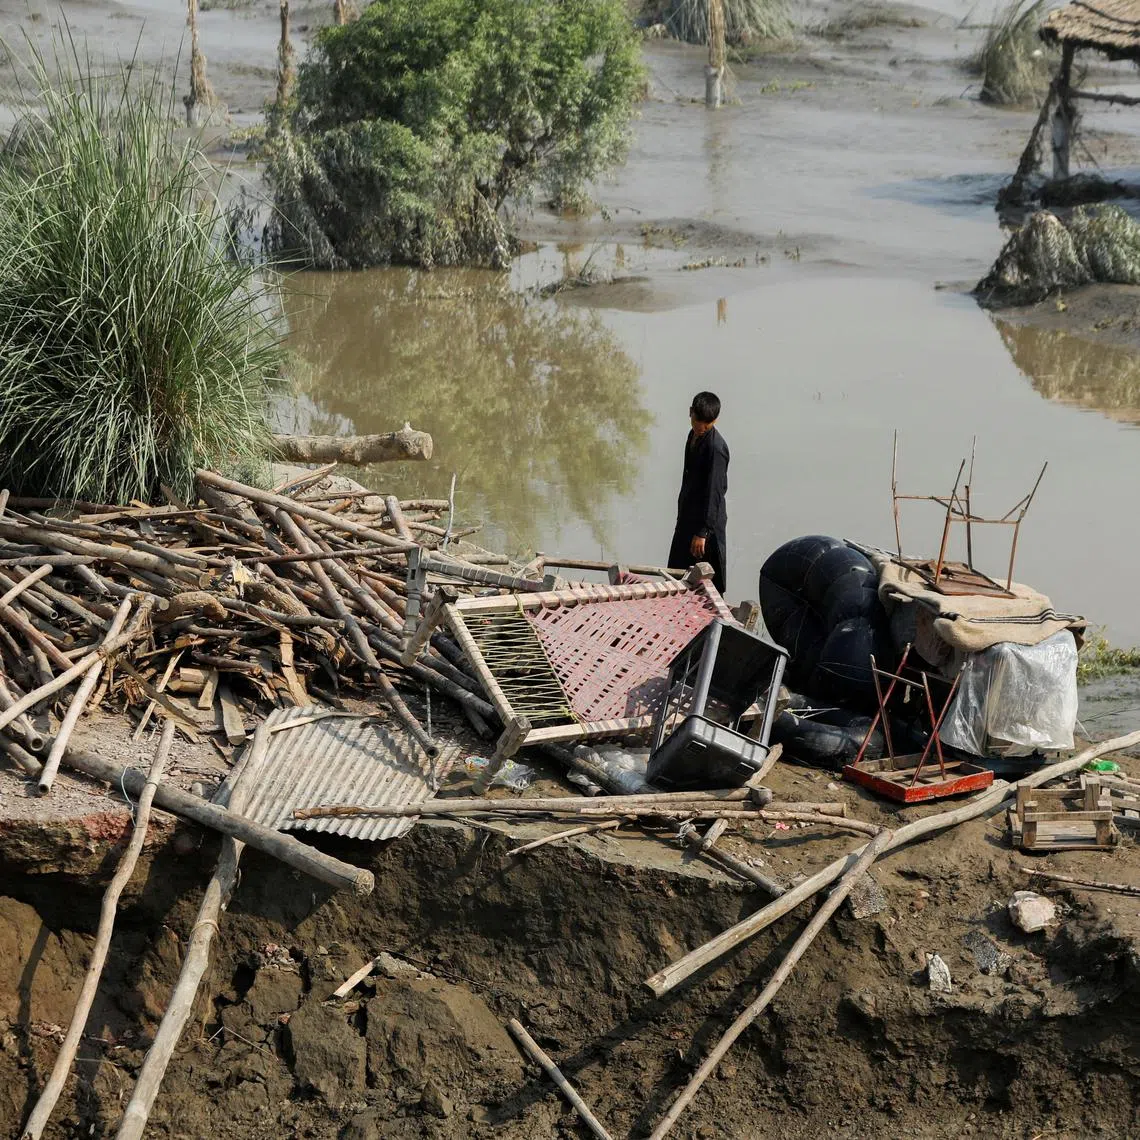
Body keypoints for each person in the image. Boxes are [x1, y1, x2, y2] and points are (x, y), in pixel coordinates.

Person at [668, 391, 729, 596]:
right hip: (688, 516)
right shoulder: (693, 435)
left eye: (707, 424)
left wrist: (703, 532)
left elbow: (715, 492)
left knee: (709, 583)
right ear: (690, 412)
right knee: (677, 572)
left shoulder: (715, 448)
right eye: (698, 421)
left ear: (715, 421)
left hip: (707, 527)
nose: (701, 428)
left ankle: (715, 623)